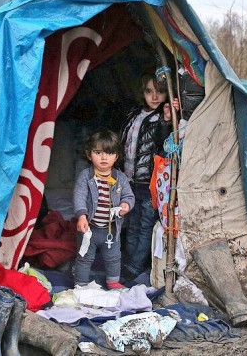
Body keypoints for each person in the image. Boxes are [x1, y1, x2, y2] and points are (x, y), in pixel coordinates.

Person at [121, 72, 177, 279]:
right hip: (130, 180)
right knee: (132, 222)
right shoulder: (135, 115)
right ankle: (129, 261)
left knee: (145, 224)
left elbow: (164, 142)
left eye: (160, 92)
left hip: (150, 181)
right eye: (149, 91)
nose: (154, 97)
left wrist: (167, 120)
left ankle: (136, 265)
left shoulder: (161, 118)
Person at [73, 129, 135, 290]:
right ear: (89, 155)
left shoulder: (120, 178)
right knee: (84, 257)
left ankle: (113, 281)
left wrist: (125, 205)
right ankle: (80, 285)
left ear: (116, 156)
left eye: (109, 153)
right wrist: (81, 216)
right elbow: (79, 196)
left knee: (114, 258)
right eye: (98, 152)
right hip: (89, 228)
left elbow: (129, 196)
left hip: (111, 229)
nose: (103, 157)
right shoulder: (86, 176)